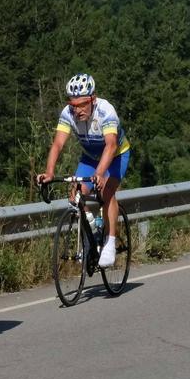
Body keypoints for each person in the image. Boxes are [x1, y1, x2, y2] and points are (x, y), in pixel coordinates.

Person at [36, 73, 132, 267]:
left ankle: (110, 242)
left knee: (107, 193)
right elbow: (57, 145)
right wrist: (49, 172)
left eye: (82, 105)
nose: (77, 110)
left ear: (93, 99)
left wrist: (99, 174)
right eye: (73, 105)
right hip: (90, 157)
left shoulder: (106, 111)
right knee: (75, 195)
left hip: (116, 156)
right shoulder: (67, 113)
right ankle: (92, 226)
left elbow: (111, 146)